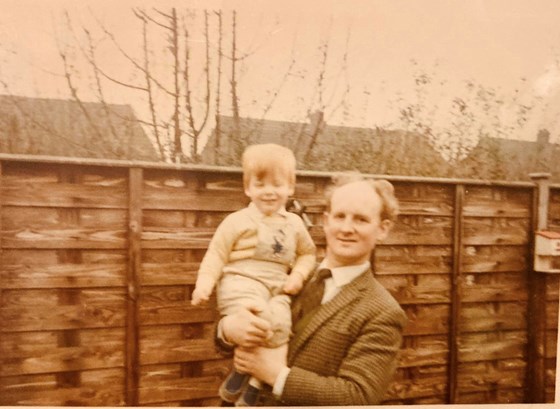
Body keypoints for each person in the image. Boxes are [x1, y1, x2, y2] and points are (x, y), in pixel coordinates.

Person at [218, 173, 407, 406]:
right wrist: (227, 329)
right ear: (326, 221)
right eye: (339, 216)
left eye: (361, 220)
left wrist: (275, 375)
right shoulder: (286, 273)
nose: (346, 228)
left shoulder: (383, 312)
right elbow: (230, 321)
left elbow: (358, 396)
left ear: (382, 229)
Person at [191, 143, 316, 406]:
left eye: (277, 184)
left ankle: (257, 382)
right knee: (258, 318)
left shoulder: (294, 224)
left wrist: (299, 276)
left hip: (278, 286)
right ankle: (242, 368)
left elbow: (307, 253)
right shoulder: (236, 221)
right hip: (242, 282)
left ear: (290, 187)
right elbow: (216, 254)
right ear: (248, 188)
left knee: (281, 326)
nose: (269, 192)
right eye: (260, 185)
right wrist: (204, 284)